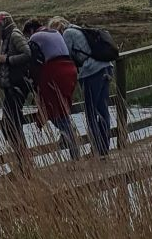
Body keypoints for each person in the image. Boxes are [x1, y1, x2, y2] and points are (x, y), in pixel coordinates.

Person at [48, 16, 114, 159]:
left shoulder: (67, 34)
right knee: (103, 111)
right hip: (106, 67)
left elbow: (66, 57)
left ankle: (97, 150)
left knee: (91, 114)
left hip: (92, 72)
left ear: (58, 28)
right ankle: (104, 149)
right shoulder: (78, 29)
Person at [24, 19, 80, 161]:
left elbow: (32, 61)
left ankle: (73, 150)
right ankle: (68, 137)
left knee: (54, 110)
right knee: (61, 108)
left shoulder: (35, 37)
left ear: (31, 30)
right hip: (70, 70)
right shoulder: (54, 32)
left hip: (56, 72)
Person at [0, 11, 32, 171]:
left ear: (3, 24)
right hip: (12, 87)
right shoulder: (8, 37)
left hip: (17, 86)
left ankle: (24, 163)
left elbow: (27, 54)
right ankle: (23, 162)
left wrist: (7, 59)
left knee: (11, 125)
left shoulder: (14, 35)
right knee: (12, 125)